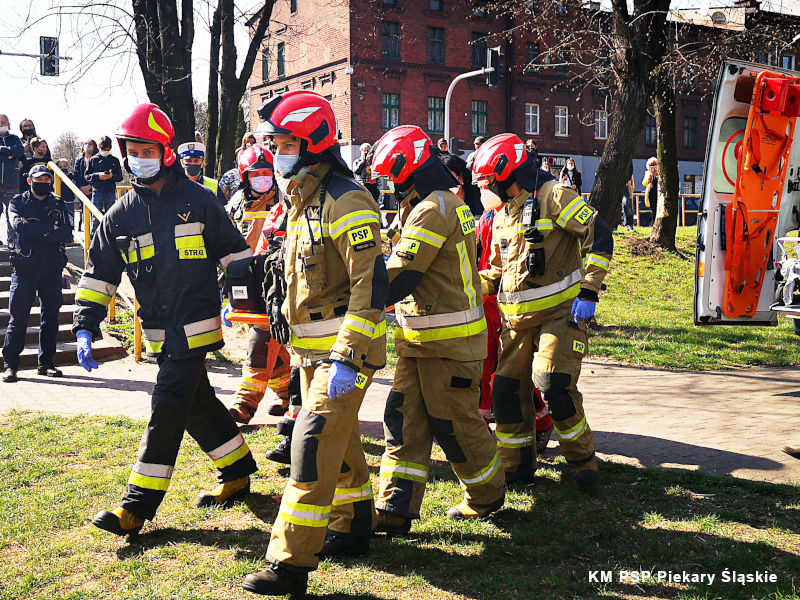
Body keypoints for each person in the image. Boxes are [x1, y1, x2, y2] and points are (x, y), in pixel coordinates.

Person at [74, 103, 257, 537]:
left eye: (148, 150)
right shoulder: (119, 216)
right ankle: (236, 471)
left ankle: (136, 506)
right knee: (196, 403)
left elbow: (237, 255)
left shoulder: (199, 200)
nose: (139, 158)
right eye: (133, 151)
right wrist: (85, 324)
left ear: (166, 152)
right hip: (159, 332)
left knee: (168, 406)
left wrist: (246, 302)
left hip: (196, 326)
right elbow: (99, 274)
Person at [242, 90, 387, 597]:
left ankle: (290, 562)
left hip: (344, 354)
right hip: (310, 351)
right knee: (339, 443)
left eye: (286, 144)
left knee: (311, 446)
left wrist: (346, 355)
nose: (277, 153)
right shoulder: (302, 198)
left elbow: (370, 286)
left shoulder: (346, 200)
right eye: (275, 143)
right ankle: (354, 525)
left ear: (313, 143)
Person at [368, 125, 505, 536]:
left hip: (449, 343)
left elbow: (401, 275)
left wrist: (353, 287)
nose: (390, 186)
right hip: (420, 339)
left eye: (392, 176)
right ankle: (395, 506)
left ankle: (487, 494)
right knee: (403, 420)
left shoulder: (434, 208)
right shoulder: (429, 203)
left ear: (410, 170)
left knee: (454, 424)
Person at [473, 133, 613, 487]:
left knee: (553, 383)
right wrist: (465, 289)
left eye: (488, 180)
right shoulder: (502, 216)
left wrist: (589, 290)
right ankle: (516, 468)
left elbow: (598, 235)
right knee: (506, 392)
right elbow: (497, 272)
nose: (485, 188)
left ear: (507, 171)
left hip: (559, 316)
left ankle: (583, 461)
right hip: (515, 323)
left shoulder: (554, 196)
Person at [223, 144, 292, 423]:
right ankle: (288, 392)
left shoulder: (286, 201)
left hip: (277, 284)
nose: (262, 179)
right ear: (244, 177)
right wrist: (227, 289)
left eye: (266, 173)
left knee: (260, 343)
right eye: (255, 174)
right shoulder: (235, 205)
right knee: (273, 347)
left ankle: (245, 403)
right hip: (246, 284)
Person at [2, 165, 73, 382]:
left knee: (50, 318)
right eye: (38, 179)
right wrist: (50, 229)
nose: (43, 182)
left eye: (46, 179)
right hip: (25, 268)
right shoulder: (18, 202)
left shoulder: (58, 203)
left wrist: (34, 228)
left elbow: (67, 234)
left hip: (52, 269)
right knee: (18, 319)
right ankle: (11, 366)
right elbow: (18, 226)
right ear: (30, 180)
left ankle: (46, 363)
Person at [86, 136, 123, 235]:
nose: (105, 151)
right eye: (103, 149)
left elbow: (120, 177)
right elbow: (87, 176)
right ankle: (94, 237)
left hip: (110, 191)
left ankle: (109, 236)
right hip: (97, 191)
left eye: (107, 149)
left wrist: (111, 176)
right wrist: (98, 176)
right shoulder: (93, 159)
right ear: (99, 147)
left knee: (110, 216)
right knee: (95, 217)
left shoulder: (114, 160)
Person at [0, 114, 23, 215]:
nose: (1, 125)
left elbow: (19, 150)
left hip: (11, 183)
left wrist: (1, 149)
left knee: (13, 212)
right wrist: (8, 157)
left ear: (8, 125)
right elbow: (13, 153)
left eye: (3, 123)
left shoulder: (14, 138)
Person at [55, 158, 80, 230]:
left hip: (70, 202)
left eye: (65, 166)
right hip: (58, 202)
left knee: (70, 220)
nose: (63, 168)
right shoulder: (55, 177)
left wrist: (77, 202)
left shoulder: (72, 176)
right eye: (60, 167)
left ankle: (71, 233)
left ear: (68, 167)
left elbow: (76, 190)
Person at [642, 157, 658, 226]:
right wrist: (648, 179)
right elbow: (644, 183)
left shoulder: (659, 173)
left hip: (658, 191)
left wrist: (657, 176)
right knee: (652, 207)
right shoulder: (647, 173)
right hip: (650, 191)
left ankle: (657, 221)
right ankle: (653, 221)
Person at [622, 165, 635, 231]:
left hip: (624, 183)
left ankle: (629, 224)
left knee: (627, 203)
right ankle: (614, 225)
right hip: (613, 182)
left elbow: (630, 170)